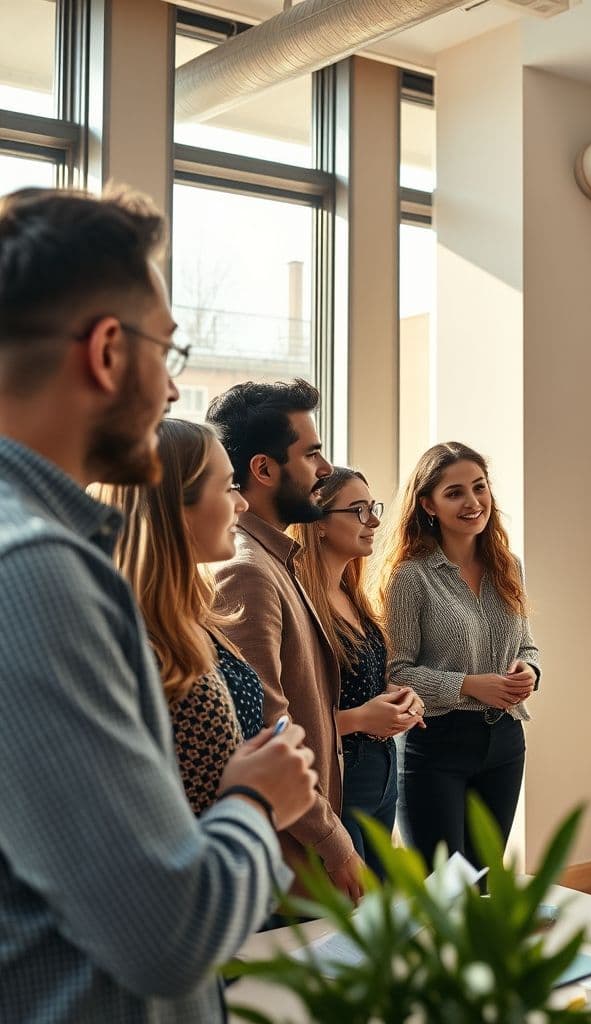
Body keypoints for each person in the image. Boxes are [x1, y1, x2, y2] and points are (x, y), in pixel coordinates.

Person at [0, 187, 317, 1023]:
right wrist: (258, 798)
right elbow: (169, 931)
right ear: (108, 352)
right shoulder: (37, 571)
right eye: (167, 354)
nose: (174, 392)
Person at [208, 381, 364, 903]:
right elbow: (267, 729)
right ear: (264, 469)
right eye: (312, 452)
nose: (324, 469)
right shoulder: (249, 572)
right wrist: (332, 840)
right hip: (290, 865)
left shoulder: (277, 560)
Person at [380, 441, 541, 867]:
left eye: (479, 487)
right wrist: (470, 686)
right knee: (444, 890)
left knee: (483, 883)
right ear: (428, 505)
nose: (473, 502)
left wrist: (530, 671)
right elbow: (396, 675)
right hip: (435, 746)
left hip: (506, 742)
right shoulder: (409, 578)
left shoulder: (509, 566)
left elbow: (526, 643)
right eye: (454, 493)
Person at [100, 418, 267, 814]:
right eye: (228, 488)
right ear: (176, 507)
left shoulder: (189, 615)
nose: (242, 504)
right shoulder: (136, 642)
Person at [292, 467, 425, 877]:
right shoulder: (298, 601)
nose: (375, 521)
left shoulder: (354, 594)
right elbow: (283, 720)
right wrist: (362, 719)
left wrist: (403, 698)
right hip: (338, 782)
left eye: (373, 508)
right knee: (352, 914)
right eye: (359, 510)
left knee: (382, 910)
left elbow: (371, 679)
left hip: (383, 772)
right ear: (318, 525)